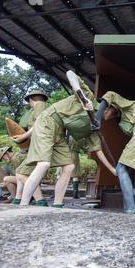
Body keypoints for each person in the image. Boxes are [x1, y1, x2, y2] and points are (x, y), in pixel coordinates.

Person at [19, 71, 116, 207]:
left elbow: (98, 150)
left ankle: (57, 204)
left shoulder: (94, 126)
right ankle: (22, 205)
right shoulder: (89, 97)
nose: (113, 117)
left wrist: (113, 170)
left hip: (59, 132)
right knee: (44, 164)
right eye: (114, 112)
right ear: (108, 107)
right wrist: (82, 97)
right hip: (48, 121)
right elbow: (70, 73)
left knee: (69, 166)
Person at [11, 90, 49, 206]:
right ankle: (18, 199)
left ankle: (40, 201)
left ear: (31, 100)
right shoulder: (38, 110)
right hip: (36, 146)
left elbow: (38, 124)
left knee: (21, 174)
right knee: (21, 173)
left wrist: (23, 136)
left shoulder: (40, 106)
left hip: (40, 146)